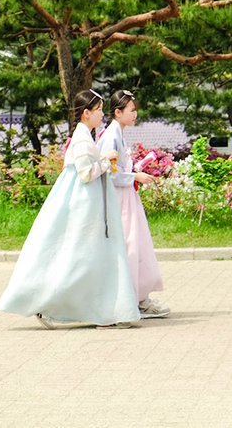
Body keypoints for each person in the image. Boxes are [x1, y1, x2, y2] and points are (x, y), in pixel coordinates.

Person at [0, 89, 140, 329]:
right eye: (98, 110)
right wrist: (107, 159)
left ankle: (103, 310)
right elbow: (86, 173)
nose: (101, 115)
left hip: (90, 205)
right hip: (85, 207)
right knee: (81, 260)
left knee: (89, 260)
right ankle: (58, 306)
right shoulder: (83, 138)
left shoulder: (84, 135)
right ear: (86, 113)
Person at [98, 90, 171, 319]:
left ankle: (138, 297)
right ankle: (134, 299)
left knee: (135, 244)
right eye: (131, 110)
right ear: (118, 112)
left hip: (126, 196)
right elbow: (110, 174)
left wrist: (134, 171)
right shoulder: (111, 136)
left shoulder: (118, 133)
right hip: (120, 199)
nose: (135, 114)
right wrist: (134, 177)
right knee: (130, 245)